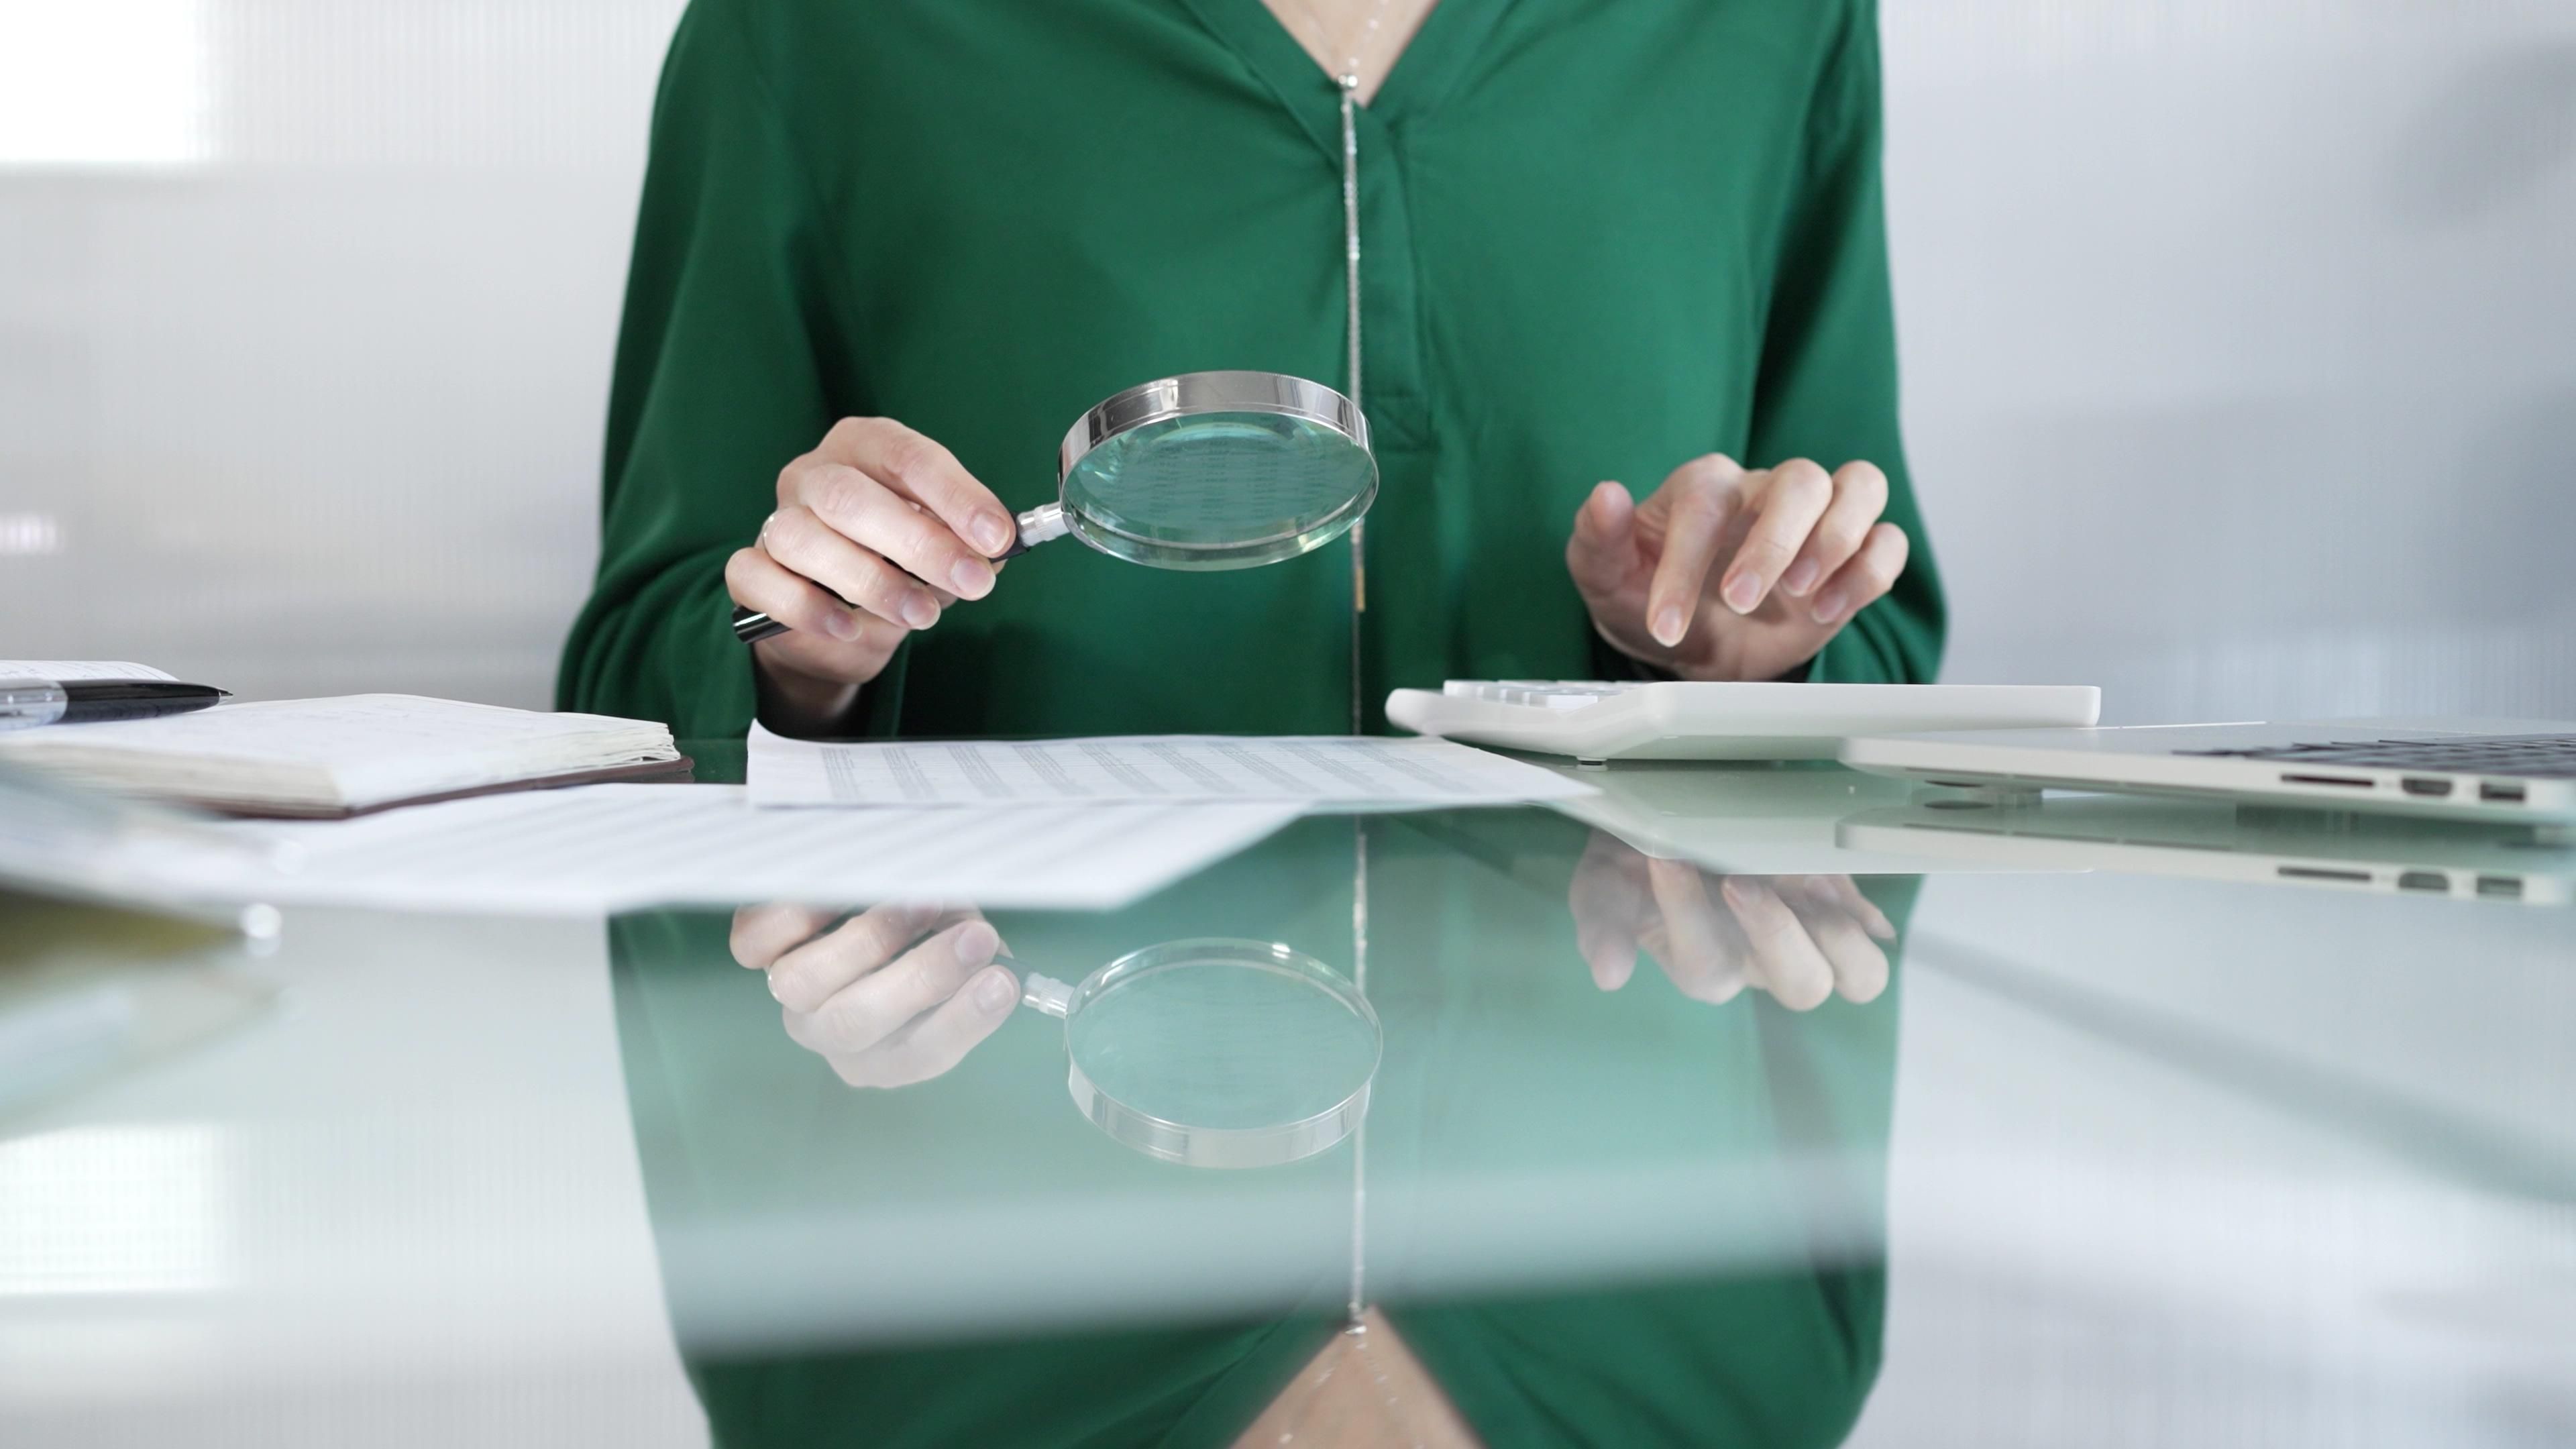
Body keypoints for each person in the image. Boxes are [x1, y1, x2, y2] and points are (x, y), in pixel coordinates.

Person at [557, 0, 1943, 741]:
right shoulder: (809, 30)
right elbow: (635, 680)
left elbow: (1882, 654)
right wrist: (798, 660)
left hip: (1632, 1133)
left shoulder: (1776, 25)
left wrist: (1747, 653)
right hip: (1014, 1117)